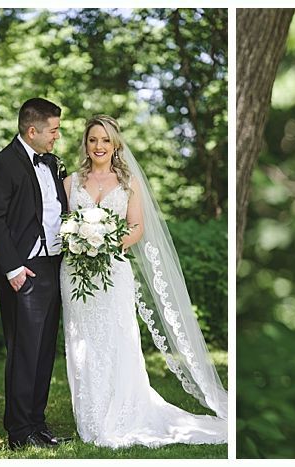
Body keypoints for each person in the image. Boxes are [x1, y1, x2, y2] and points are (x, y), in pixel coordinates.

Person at [59, 115, 227, 448]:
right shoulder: (70, 183)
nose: (99, 146)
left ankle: (123, 411)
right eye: (93, 140)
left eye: (105, 140)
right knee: (82, 342)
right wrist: (79, 239)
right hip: (75, 274)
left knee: (117, 340)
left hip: (114, 270)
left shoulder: (128, 182)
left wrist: (104, 243)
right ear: (85, 144)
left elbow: (136, 227)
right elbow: (62, 223)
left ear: (115, 144)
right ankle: (90, 415)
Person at [0, 97, 71, 450]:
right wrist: (13, 269)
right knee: (23, 352)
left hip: (53, 264)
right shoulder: (1, 165)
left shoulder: (52, 164)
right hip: (23, 270)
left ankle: (37, 424)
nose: (57, 136)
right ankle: (19, 431)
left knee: (44, 351)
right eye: (53, 130)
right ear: (32, 131)